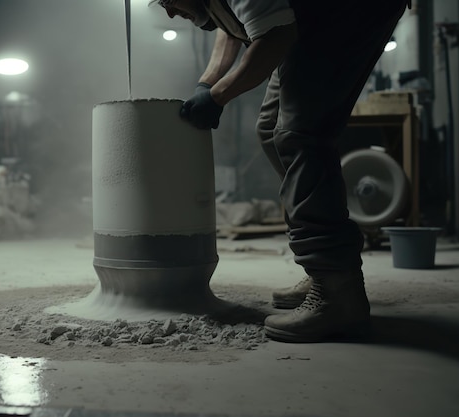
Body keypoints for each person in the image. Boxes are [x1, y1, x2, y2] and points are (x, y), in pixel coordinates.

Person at [153, 0, 409, 342]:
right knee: (272, 128)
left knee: (300, 134)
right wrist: (207, 83)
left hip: (350, 11)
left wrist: (217, 97)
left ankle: (337, 291)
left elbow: (274, 36)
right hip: (311, 18)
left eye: (167, 0)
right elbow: (236, 25)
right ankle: (325, 268)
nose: (169, 12)